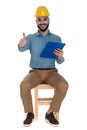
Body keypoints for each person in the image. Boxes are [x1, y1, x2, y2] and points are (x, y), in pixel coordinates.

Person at [18, 6, 68, 127]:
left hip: (52, 73)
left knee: (63, 85)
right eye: (39, 20)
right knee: (23, 85)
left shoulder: (56, 38)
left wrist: (61, 57)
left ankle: (50, 113)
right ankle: (30, 112)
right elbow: (21, 49)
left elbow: (59, 61)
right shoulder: (30, 38)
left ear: (48, 20)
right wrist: (21, 44)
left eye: (44, 19)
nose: (42, 22)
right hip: (35, 73)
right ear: (36, 21)